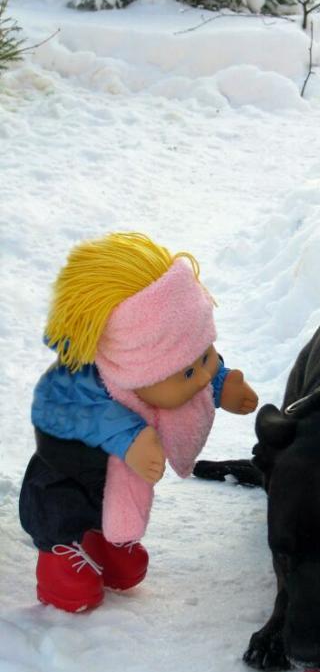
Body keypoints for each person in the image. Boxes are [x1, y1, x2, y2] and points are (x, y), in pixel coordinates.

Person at [20, 232, 258, 612]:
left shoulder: (171, 362)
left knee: (105, 500)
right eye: (188, 372)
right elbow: (60, 415)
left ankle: (104, 536)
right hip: (69, 470)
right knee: (63, 504)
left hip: (111, 476)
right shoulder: (73, 387)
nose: (200, 375)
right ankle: (59, 553)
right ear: (132, 367)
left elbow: (188, 360)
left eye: (206, 356)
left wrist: (220, 383)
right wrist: (128, 438)